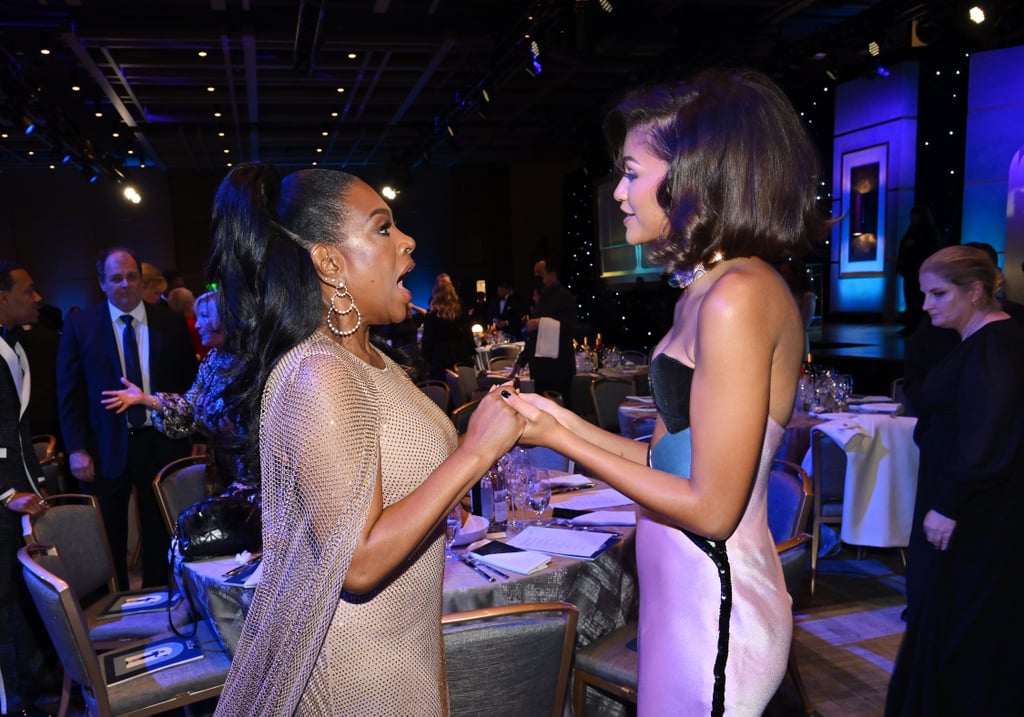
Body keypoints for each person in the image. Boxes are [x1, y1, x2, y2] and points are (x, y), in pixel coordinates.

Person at [503, 69, 829, 715]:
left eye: (630, 172)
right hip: (683, 598)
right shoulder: (708, 290)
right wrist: (555, 421)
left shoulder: (737, 296)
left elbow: (710, 509)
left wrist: (564, 439)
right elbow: (665, 463)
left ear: (696, 175)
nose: (618, 193)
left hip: (713, 605)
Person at [205, 163, 522, 715]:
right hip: (354, 673)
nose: (407, 241)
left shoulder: (375, 363)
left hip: (401, 651)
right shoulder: (319, 372)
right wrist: (476, 451)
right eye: (383, 228)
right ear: (328, 262)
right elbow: (360, 561)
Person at [886, 246, 1024, 716]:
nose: (926, 306)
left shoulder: (995, 345)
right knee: (949, 612)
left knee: (961, 617)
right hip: (967, 500)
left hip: (973, 510)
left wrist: (949, 505)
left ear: (976, 291)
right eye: (925, 294)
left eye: (938, 294)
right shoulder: (980, 341)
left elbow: (989, 432)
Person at [57, 248, 198, 588]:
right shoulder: (80, 325)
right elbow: (69, 395)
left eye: (131, 276)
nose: (125, 285)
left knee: (159, 528)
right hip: (104, 445)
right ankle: (118, 598)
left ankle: (156, 593)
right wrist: (76, 448)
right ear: (102, 283)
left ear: (141, 279)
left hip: (160, 441)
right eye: (116, 278)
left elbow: (189, 386)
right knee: (109, 530)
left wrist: (197, 439)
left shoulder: (169, 322)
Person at [99, 290, 248, 496]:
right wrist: (145, 399)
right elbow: (190, 405)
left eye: (203, 318)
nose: (196, 325)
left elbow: (214, 414)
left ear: (225, 318)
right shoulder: (212, 359)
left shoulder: (249, 362)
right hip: (221, 467)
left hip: (249, 468)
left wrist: (148, 400)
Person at [0, 259, 58, 715]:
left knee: (25, 585)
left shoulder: (16, 347)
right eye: (28, 290)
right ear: (2, 297)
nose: (36, 297)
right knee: (5, 595)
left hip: (22, 489)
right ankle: (20, 697)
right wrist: (5, 492)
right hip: (4, 494)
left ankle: (39, 678)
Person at [514, 257, 578, 409]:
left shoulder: (564, 297)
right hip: (540, 368)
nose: (537, 278)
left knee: (562, 411)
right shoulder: (542, 298)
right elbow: (534, 337)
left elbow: (569, 327)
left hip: (558, 367)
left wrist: (539, 322)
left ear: (552, 275)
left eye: (540, 274)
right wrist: (522, 359)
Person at [420, 279, 475, 380]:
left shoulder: (432, 315)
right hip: (460, 352)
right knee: (463, 387)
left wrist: (426, 358)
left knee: (442, 388)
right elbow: (468, 333)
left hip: (440, 357)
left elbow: (427, 340)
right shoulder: (460, 311)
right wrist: (472, 352)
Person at [896, 206, 938, 333]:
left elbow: (931, 249)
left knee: (920, 299)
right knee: (909, 298)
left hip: (922, 271)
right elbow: (902, 248)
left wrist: (915, 244)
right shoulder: (911, 231)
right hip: (909, 271)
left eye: (915, 215)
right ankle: (910, 325)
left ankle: (921, 326)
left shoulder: (929, 231)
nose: (912, 218)